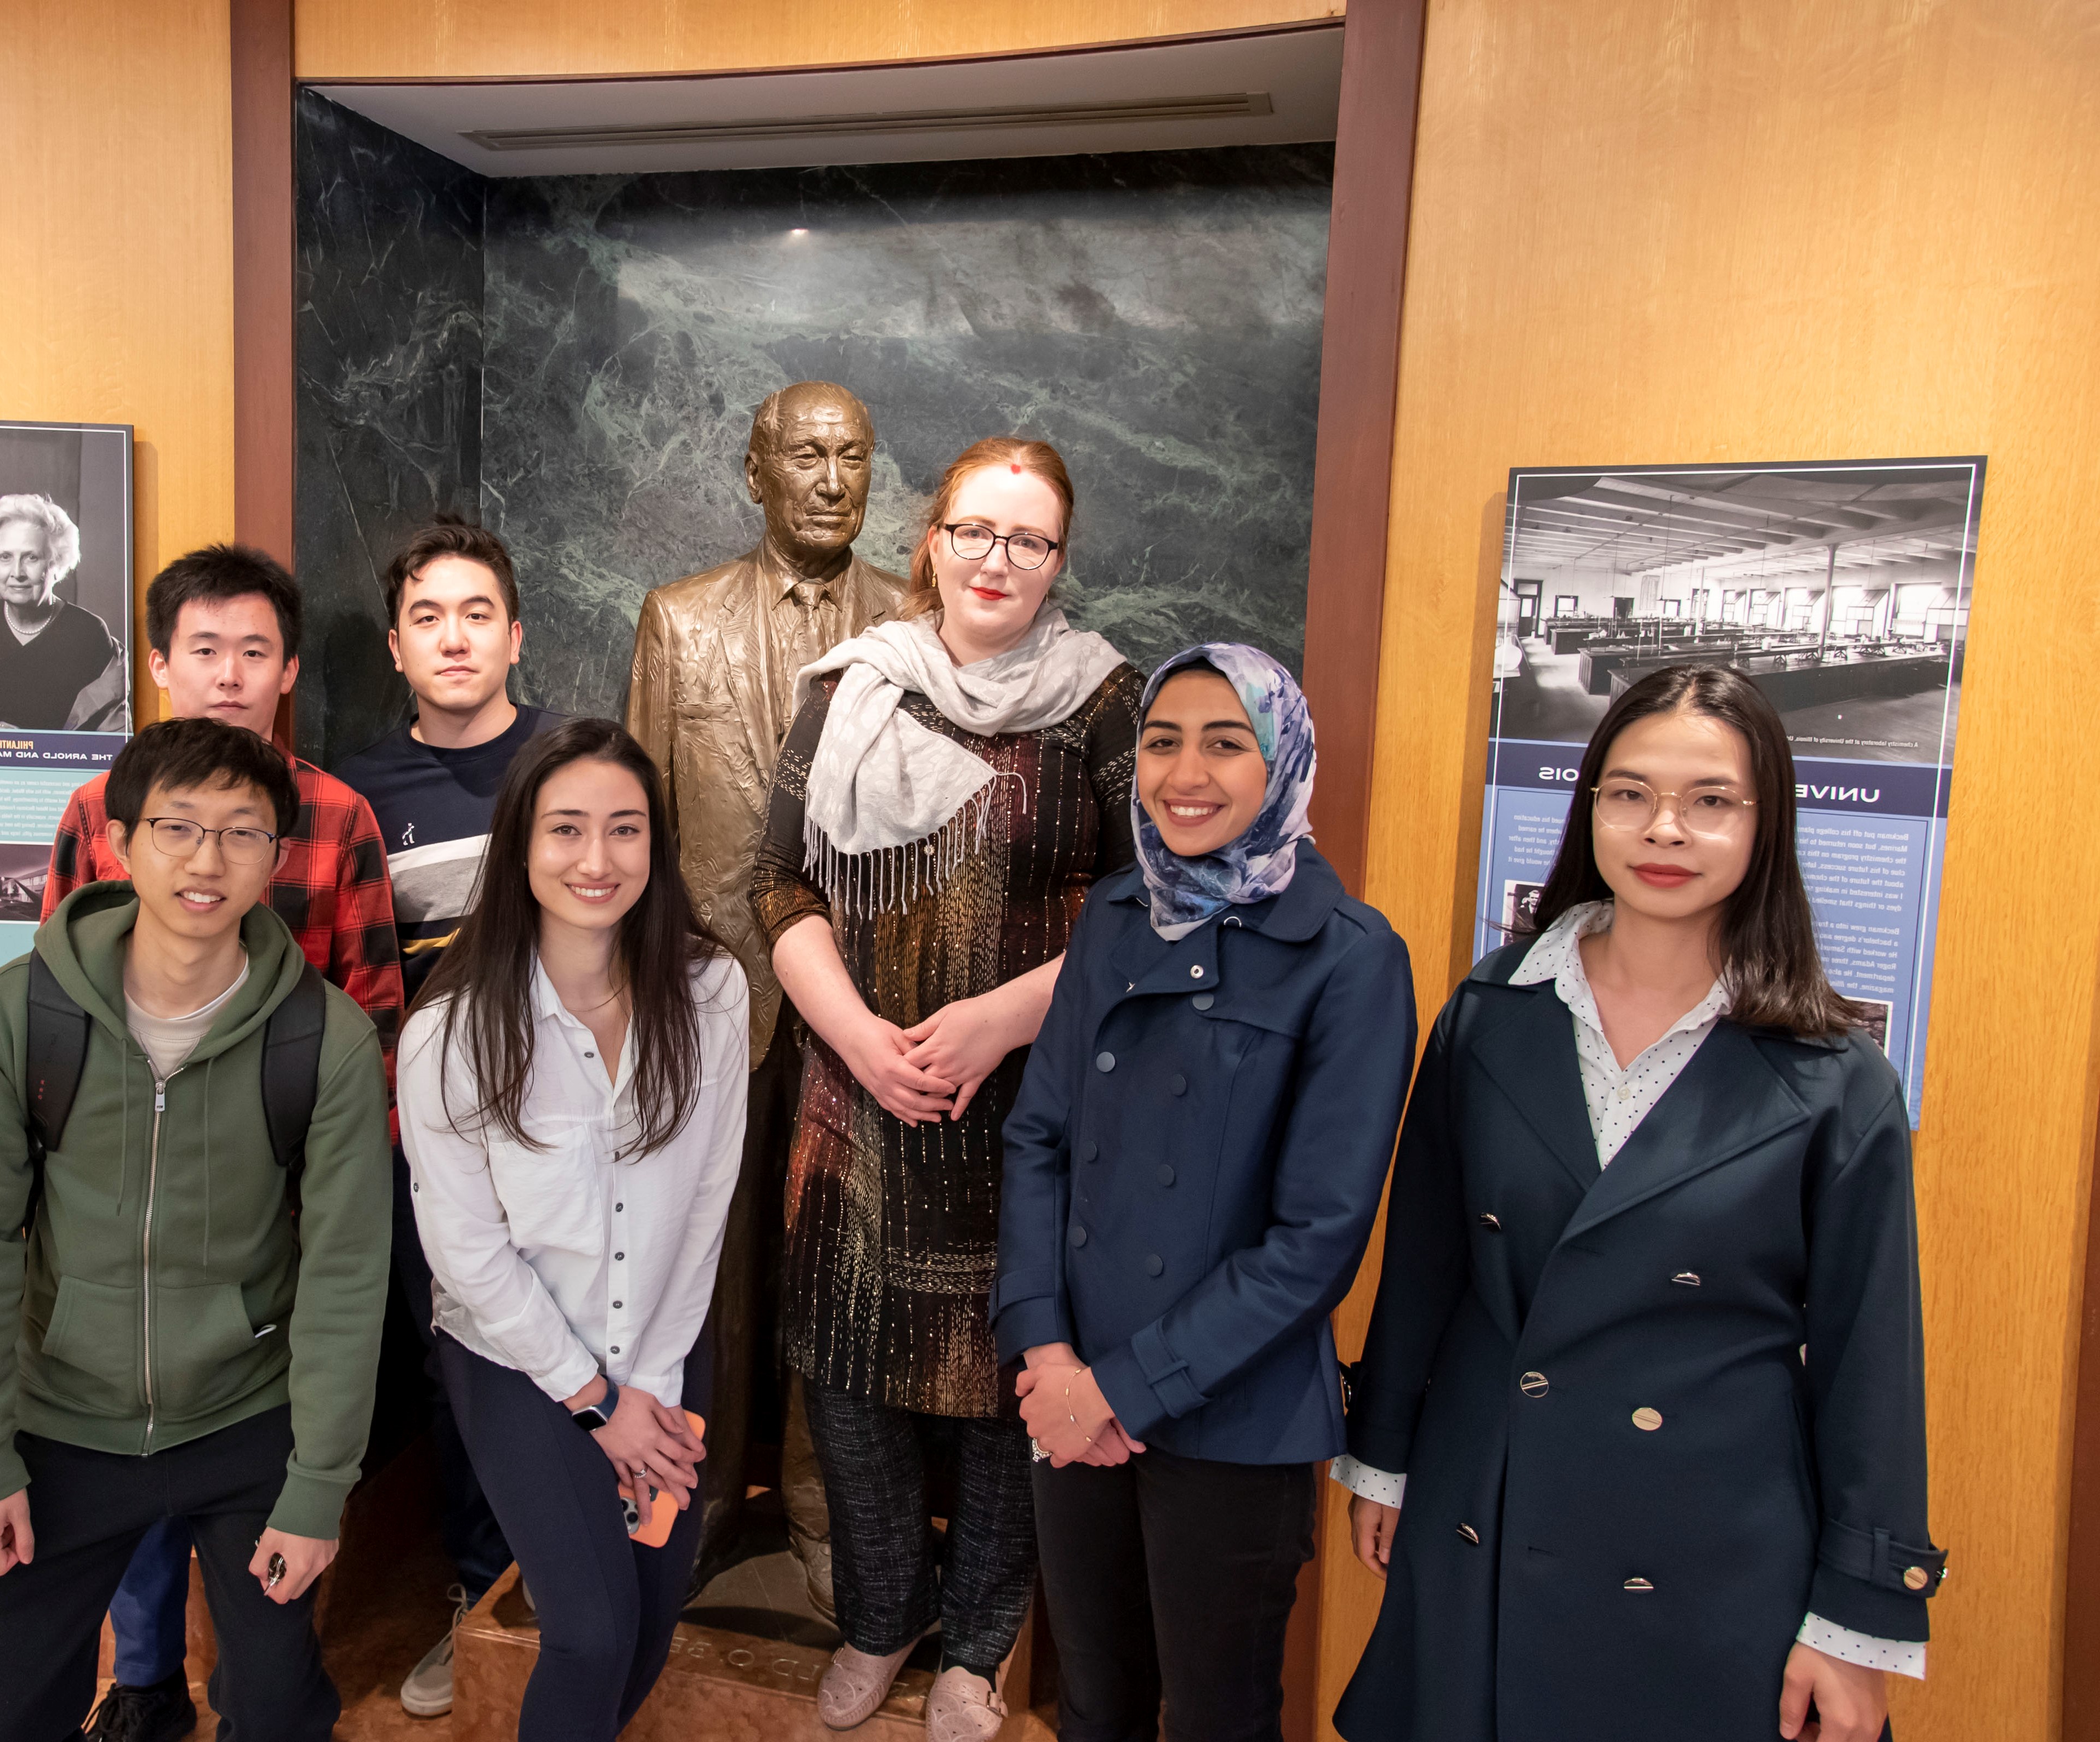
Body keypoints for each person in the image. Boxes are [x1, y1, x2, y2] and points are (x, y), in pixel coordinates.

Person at [1331, 664, 1943, 1742]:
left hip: (1710, 1539)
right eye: (1627, 792)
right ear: (1590, 807)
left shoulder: (1834, 1075)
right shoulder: (1487, 1015)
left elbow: (1870, 1363)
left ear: (1765, 822)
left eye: (1709, 799)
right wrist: (1382, 1454)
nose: (1663, 827)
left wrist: (1859, 1615)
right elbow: (1424, 1268)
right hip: (1491, 1498)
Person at [750, 435, 1140, 1742]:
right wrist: (860, 1037)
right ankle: (881, 1619)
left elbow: (1150, 906)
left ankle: (975, 1648)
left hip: (1028, 1112)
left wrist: (999, 1020)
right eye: (975, 531)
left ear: (1058, 562)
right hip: (855, 1105)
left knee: (1005, 1395)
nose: (997, 560)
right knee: (847, 1390)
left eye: (1028, 540)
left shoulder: (1105, 704)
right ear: (931, 539)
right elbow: (777, 883)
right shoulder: (854, 687)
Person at [0, 715, 392, 1742]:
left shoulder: (326, 1036)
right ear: (121, 841)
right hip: (60, 1422)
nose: (206, 860)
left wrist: (318, 1486)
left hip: (246, 1418)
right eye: (177, 827)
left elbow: (348, 1271)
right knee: (11, 1714)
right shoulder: (19, 1014)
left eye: (241, 832)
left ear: (276, 856)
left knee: (276, 1710)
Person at [994, 645, 1416, 1741]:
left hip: (1229, 1419)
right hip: (1070, 1392)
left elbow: (1316, 1238)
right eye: (1161, 739)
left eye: (1225, 742)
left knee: (1218, 1717)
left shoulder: (1348, 954)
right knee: (1093, 1701)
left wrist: (1120, 1391)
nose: (1186, 770)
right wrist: (1045, 1355)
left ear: (1280, 760)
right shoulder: (1114, 915)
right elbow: (1037, 1134)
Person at [42, 544, 405, 1742]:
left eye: (256, 651)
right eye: (204, 649)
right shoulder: (97, 814)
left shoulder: (336, 815)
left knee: (267, 1445)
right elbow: (55, 1011)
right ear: (158, 664)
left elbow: (375, 1018)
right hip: (123, 1205)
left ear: (289, 668)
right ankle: (142, 1676)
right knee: (127, 1433)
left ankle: (264, 1678)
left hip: (283, 1205)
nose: (230, 675)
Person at [399, 716, 748, 1742]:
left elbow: (706, 1200)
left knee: (643, 1630)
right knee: (589, 1633)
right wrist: (599, 1402)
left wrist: (653, 1382)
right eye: (565, 830)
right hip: (517, 1360)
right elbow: (465, 1248)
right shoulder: (451, 1028)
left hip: (664, 1352)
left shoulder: (711, 991)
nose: (597, 859)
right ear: (519, 845)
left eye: (625, 830)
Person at [624, 380, 908, 1596]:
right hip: (715, 1005)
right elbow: (635, 827)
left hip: (867, 1006)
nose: (833, 477)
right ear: (757, 471)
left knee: (839, 1271)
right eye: (807, 454)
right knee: (701, 1266)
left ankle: (820, 1509)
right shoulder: (677, 622)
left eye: (852, 455)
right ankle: (690, 1504)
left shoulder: (917, 618)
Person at [333, 515, 561, 1717]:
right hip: (432, 1152)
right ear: (395, 643)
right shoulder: (357, 794)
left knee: (580, 1350)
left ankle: (576, 1591)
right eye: (429, 615)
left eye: (478, 612)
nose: (455, 635)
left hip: (572, 1140)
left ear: (515, 633)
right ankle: (475, 1600)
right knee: (461, 1371)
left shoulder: (574, 763)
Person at [0, 493, 129, 732]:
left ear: (56, 564)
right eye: (5, 557)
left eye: (31, 557)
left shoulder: (90, 634)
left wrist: (34, 748)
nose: (17, 572)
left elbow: (113, 739)